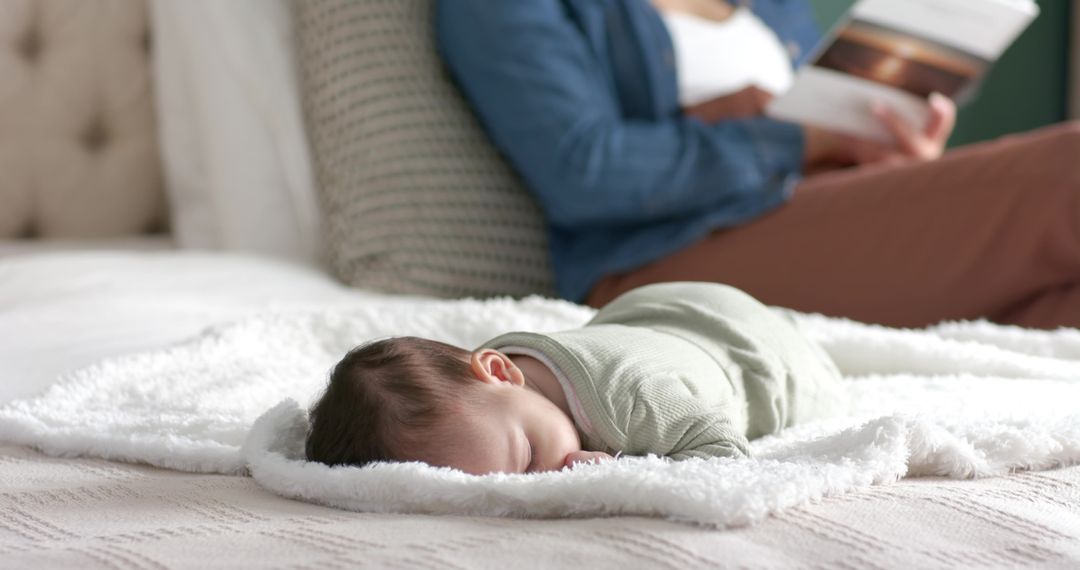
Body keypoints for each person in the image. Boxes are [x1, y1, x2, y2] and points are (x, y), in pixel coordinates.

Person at [436, 0, 1080, 330]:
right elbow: (585, 171)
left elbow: (824, 124)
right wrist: (788, 139)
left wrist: (892, 158)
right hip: (665, 256)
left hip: (823, 214)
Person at [305, 282, 847, 475]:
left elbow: (722, 450)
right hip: (656, 308)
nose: (543, 480)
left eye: (530, 457)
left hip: (755, 349)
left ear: (499, 369)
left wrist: (620, 468)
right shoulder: (488, 387)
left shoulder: (635, 401)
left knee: (817, 393)